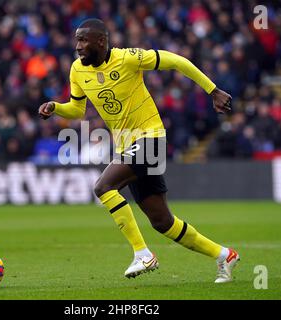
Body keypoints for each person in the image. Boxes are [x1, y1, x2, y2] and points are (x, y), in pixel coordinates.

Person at [38, 19, 239, 283]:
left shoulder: (128, 59)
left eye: (83, 40)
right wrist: (55, 107)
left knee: (103, 187)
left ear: (101, 41)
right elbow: (77, 109)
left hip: (150, 138)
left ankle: (142, 253)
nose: (77, 46)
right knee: (162, 221)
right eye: (77, 40)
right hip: (126, 145)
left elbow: (177, 61)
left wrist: (212, 90)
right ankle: (224, 255)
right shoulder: (77, 70)